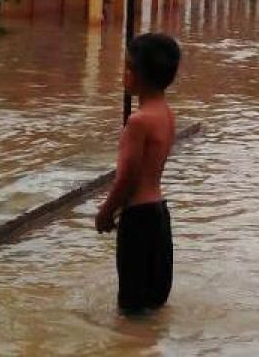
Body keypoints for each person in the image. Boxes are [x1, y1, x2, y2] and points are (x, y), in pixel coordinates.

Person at [95, 32, 180, 313]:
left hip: (137, 218)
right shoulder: (166, 114)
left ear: (137, 75)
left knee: (130, 308)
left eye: (127, 67)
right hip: (159, 214)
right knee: (155, 302)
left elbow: (127, 178)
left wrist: (106, 212)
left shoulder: (138, 121)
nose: (124, 73)